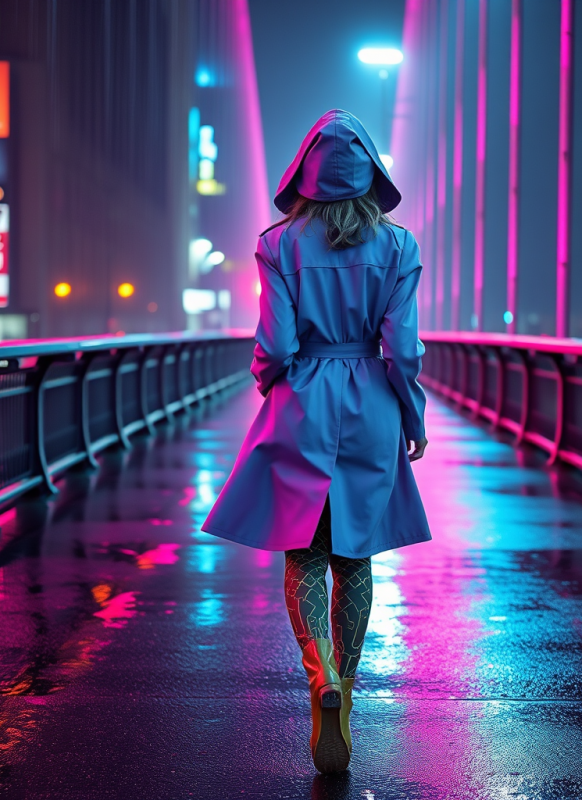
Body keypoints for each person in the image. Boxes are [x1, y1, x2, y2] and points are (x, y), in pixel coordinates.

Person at [201, 109, 430, 774]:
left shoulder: (279, 244)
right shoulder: (398, 247)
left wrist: (274, 384)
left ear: (305, 173)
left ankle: (319, 672)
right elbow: (404, 349)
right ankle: (348, 692)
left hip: (303, 398)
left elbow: (272, 344)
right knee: (355, 556)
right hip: (372, 406)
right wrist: (411, 418)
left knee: (304, 549)